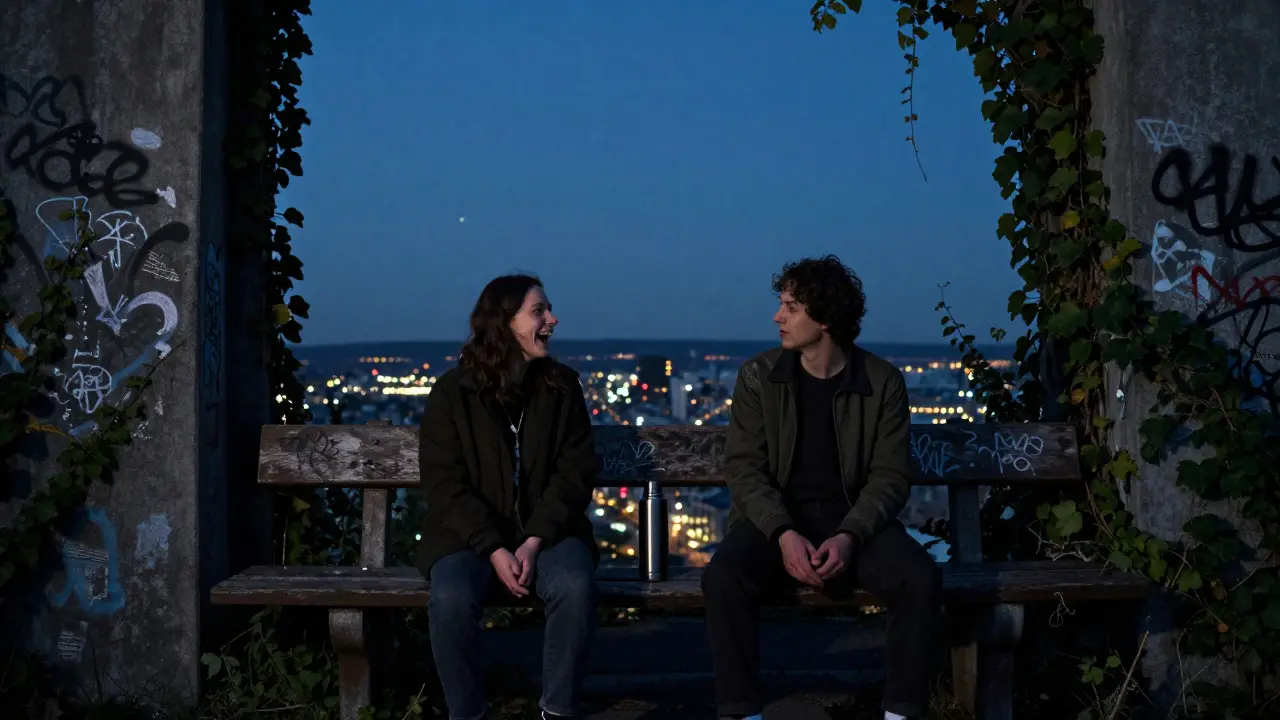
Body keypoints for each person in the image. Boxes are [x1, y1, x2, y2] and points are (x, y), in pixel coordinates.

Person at [701, 256, 942, 720]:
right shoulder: (759, 376)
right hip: (775, 520)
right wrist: (782, 533)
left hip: (854, 521)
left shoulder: (881, 382)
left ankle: (901, 712)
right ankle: (742, 712)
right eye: (781, 304)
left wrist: (851, 535)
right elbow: (745, 469)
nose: (778, 316)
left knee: (919, 578)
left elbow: (890, 477)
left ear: (826, 318)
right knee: (723, 577)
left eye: (791, 307)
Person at [417, 273, 599, 720]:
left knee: (574, 586)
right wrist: (493, 546)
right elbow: (444, 484)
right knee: (450, 598)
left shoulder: (562, 388)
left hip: (549, 533)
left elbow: (574, 474)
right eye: (539, 311)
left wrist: (534, 540)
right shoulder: (453, 393)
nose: (552, 319)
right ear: (505, 323)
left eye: (548, 310)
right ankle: (468, 713)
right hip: (469, 536)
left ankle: (557, 711)